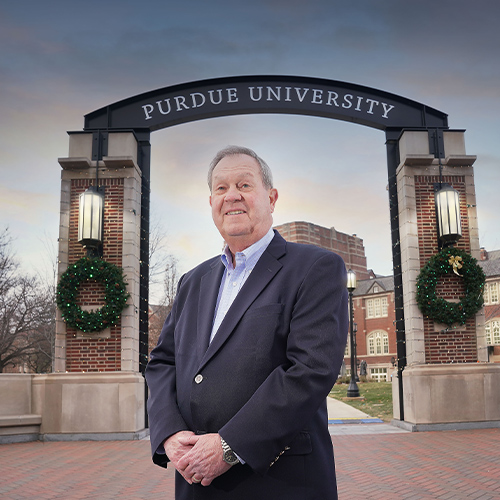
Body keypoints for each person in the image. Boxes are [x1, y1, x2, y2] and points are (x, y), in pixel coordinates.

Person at [145, 145, 348, 499]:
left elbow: (310, 369)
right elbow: (163, 362)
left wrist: (228, 446)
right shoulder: (192, 281)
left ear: (271, 198)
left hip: (278, 481)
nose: (232, 196)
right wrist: (169, 434)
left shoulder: (315, 268)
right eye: (221, 188)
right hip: (196, 481)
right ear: (211, 203)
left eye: (244, 185)